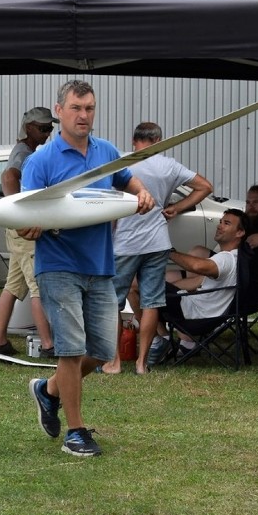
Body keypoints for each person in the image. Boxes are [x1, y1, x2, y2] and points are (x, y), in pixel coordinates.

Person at [21, 80, 154, 457]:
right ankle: (75, 433)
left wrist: (140, 193)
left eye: (90, 108)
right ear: (59, 110)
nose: (84, 115)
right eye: (77, 108)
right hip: (58, 264)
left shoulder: (106, 151)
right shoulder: (41, 161)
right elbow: (26, 214)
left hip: (100, 265)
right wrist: (30, 226)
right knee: (71, 350)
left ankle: (48, 391)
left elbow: (127, 179)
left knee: (99, 351)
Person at [101, 122, 213, 374]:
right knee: (151, 302)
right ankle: (142, 363)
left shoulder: (123, 163)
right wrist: (178, 207)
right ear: (160, 140)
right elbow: (205, 186)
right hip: (157, 241)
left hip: (125, 243)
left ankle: (114, 362)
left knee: (113, 303)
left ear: (134, 140)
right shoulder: (169, 165)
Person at [0, 107, 58, 357]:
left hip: (16, 229)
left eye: (50, 128)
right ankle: (48, 345)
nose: (47, 133)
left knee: (13, 285)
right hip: (24, 231)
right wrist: (21, 214)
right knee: (38, 286)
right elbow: (9, 177)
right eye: (43, 128)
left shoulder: (27, 152)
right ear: (28, 127)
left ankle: (0, 341)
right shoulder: (22, 153)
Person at [158, 208, 250, 356]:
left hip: (195, 315)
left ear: (240, 233)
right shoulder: (233, 258)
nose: (219, 226)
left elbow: (197, 266)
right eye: (220, 222)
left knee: (142, 285)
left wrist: (168, 252)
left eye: (226, 223)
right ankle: (162, 339)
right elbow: (196, 281)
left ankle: (161, 340)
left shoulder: (227, 259)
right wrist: (168, 287)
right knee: (148, 284)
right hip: (197, 310)